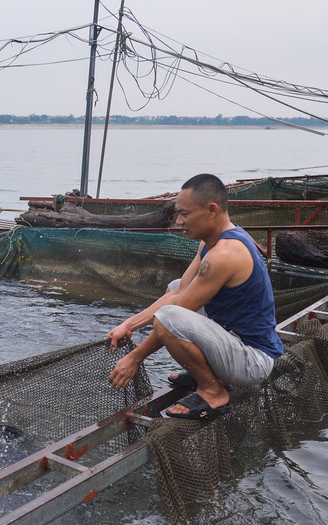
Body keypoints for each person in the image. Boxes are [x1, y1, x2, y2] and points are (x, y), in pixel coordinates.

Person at [105, 173, 283, 419]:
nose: (178, 222)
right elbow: (179, 293)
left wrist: (134, 358)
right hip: (235, 342)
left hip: (252, 361)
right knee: (176, 286)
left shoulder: (224, 254)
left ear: (211, 210)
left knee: (167, 318)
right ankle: (209, 373)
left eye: (185, 214)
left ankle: (213, 391)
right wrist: (128, 325)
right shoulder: (211, 243)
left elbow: (173, 317)